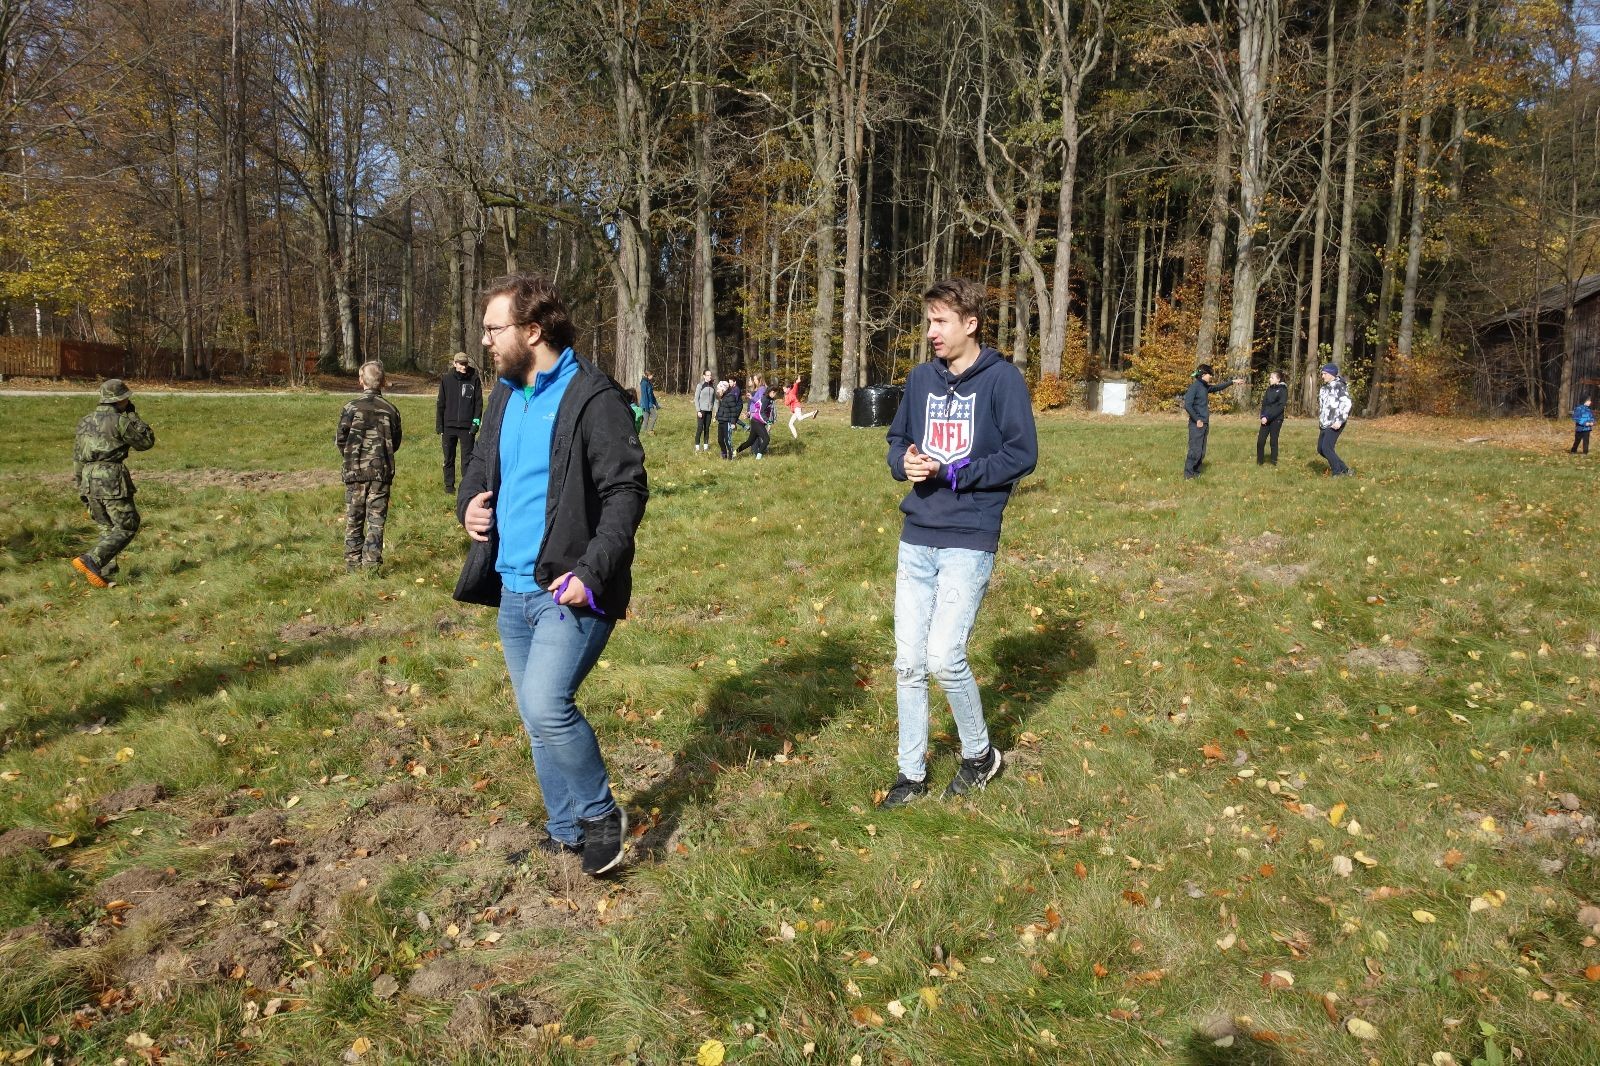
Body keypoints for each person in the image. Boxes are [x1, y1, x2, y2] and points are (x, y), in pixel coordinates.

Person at [455, 273, 648, 877]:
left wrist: (592, 571)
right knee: (536, 719)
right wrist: (468, 503)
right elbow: (481, 462)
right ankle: (565, 830)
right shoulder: (504, 394)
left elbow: (625, 492)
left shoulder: (594, 397)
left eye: (494, 329)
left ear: (533, 330)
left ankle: (600, 816)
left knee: (546, 705)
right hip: (512, 589)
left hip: (569, 589)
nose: (485, 340)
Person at [879, 278, 1038, 809]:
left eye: (941, 321)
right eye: (928, 321)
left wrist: (954, 474)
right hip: (917, 536)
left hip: (970, 536)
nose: (931, 332)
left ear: (970, 324)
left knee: (945, 657)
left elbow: (1021, 454)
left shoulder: (1002, 380)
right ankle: (910, 773)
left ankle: (979, 756)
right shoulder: (921, 378)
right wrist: (903, 462)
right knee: (908, 662)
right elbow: (897, 439)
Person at [70, 378, 155, 588]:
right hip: (111, 478)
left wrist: (81, 487)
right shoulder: (120, 421)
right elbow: (145, 442)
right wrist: (133, 416)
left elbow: (78, 457)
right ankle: (91, 560)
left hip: (88, 478)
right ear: (120, 400)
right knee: (127, 525)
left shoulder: (84, 421)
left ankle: (103, 572)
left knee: (107, 527)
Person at [336, 361, 403, 570]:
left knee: (354, 518)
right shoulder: (391, 410)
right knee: (376, 520)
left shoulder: (350, 408)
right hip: (380, 473)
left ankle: (352, 562)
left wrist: (351, 457)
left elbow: (341, 439)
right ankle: (371, 564)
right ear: (382, 382)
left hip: (354, 472)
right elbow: (395, 441)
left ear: (361, 381)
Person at [1181, 363, 1245, 479]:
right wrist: (1197, 419)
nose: (1211, 377)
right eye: (1210, 374)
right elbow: (1188, 405)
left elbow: (1217, 387)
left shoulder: (1204, 386)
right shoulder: (1195, 387)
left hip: (1204, 423)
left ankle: (1196, 473)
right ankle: (1188, 475)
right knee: (1195, 450)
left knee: (1202, 451)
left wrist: (1232, 382)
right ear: (1203, 375)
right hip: (1197, 424)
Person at [436, 352, 483, 494]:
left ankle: (466, 488)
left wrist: (475, 424)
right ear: (454, 364)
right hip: (448, 426)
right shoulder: (446, 380)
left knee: (467, 460)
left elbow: (478, 404)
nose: (464, 366)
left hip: (467, 427)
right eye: (461, 364)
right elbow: (441, 403)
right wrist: (440, 425)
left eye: (465, 363)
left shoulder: (474, 379)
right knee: (448, 458)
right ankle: (449, 487)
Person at [1316, 362, 1354, 477]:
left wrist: (1339, 421)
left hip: (1335, 423)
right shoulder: (1323, 388)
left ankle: (1337, 473)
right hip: (1325, 423)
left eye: (1325, 374)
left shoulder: (1339, 386)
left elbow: (1347, 404)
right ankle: (1345, 470)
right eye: (1322, 374)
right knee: (1321, 449)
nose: (1322, 376)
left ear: (1331, 374)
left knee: (1327, 448)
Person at [736, 376, 775, 459]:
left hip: (755, 420)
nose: (775, 395)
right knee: (766, 439)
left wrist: (750, 412)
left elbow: (757, 405)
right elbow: (761, 412)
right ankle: (758, 457)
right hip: (757, 421)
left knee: (750, 442)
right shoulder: (765, 399)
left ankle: (734, 452)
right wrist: (768, 422)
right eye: (774, 393)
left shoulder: (767, 398)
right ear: (771, 392)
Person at [1257, 370, 1288, 465]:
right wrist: (1263, 416)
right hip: (1265, 419)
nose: (1270, 379)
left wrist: (1269, 417)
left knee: (1273, 441)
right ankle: (1259, 462)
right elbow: (1264, 404)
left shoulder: (1283, 390)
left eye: (1272, 377)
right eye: (1270, 377)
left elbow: (1280, 406)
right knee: (1260, 441)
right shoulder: (1269, 389)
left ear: (1278, 379)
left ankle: (1274, 462)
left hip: (1276, 419)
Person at [715, 377, 742, 460]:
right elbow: (721, 409)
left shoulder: (730, 397)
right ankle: (724, 453)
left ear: (723, 389)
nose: (717, 391)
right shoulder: (722, 398)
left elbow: (733, 410)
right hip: (721, 421)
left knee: (727, 440)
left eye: (718, 389)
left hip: (727, 422)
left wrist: (733, 422)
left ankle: (731, 455)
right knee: (720, 440)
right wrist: (716, 416)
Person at [693, 370, 716, 451]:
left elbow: (714, 400)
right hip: (701, 410)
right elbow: (696, 399)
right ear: (704, 376)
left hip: (709, 411)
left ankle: (706, 446)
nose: (710, 377)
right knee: (700, 428)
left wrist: (716, 411)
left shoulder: (713, 386)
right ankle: (697, 446)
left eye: (710, 375)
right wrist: (698, 410)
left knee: (707, 428)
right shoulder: (700, 385)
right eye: (708, 375)